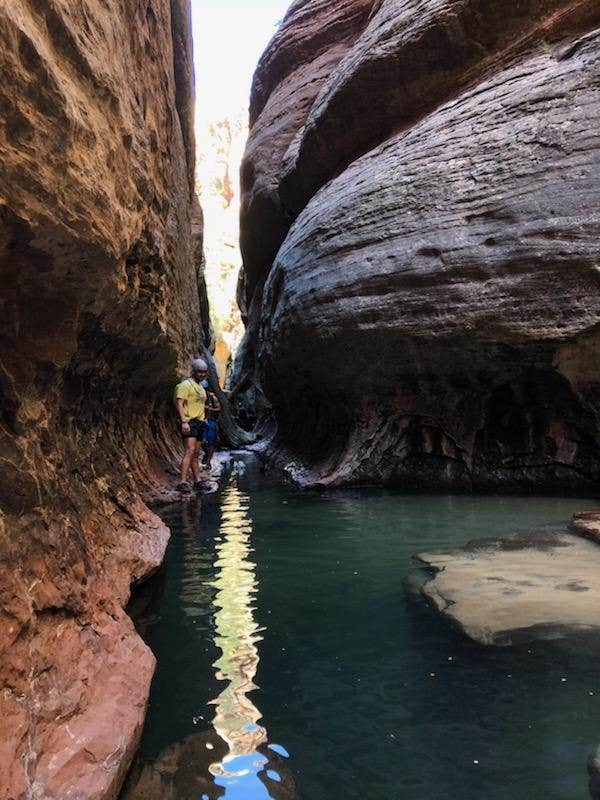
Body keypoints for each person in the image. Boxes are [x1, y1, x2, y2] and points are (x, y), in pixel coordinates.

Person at [174, 358, 209, 492]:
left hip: (200, 423)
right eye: (200, 372)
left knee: (195, 453)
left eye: (205, 372)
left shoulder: (200, 386)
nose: (203, 374)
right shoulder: (185, 385)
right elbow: (180, 403)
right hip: (189, 422)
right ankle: (182, 482)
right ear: (193, 371)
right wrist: (184, 421)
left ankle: (197, 481)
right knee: (189, 450)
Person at [201, 387, 221, 469]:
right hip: (199, 421)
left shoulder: (212, 397)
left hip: (210, 422)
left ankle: (208, 461)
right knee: (202, 442)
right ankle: (206, 454)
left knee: (211, 442)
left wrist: (209, 409)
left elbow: (219, 408)